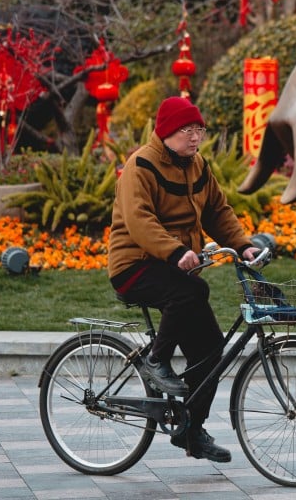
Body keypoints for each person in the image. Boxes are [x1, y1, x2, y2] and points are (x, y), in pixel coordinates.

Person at [108, 96, 260, 463]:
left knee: (210, 351)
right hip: (135, 265)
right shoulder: (141, 165)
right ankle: (156, 361)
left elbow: (217, 210)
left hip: (175, 268)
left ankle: (191, 433)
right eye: (187, 130)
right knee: (193, 288)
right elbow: (139, 219)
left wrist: (242, 245)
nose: (195, 138)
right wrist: (175, 251)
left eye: (199, 130)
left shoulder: (197, 165)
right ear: (166, 132)